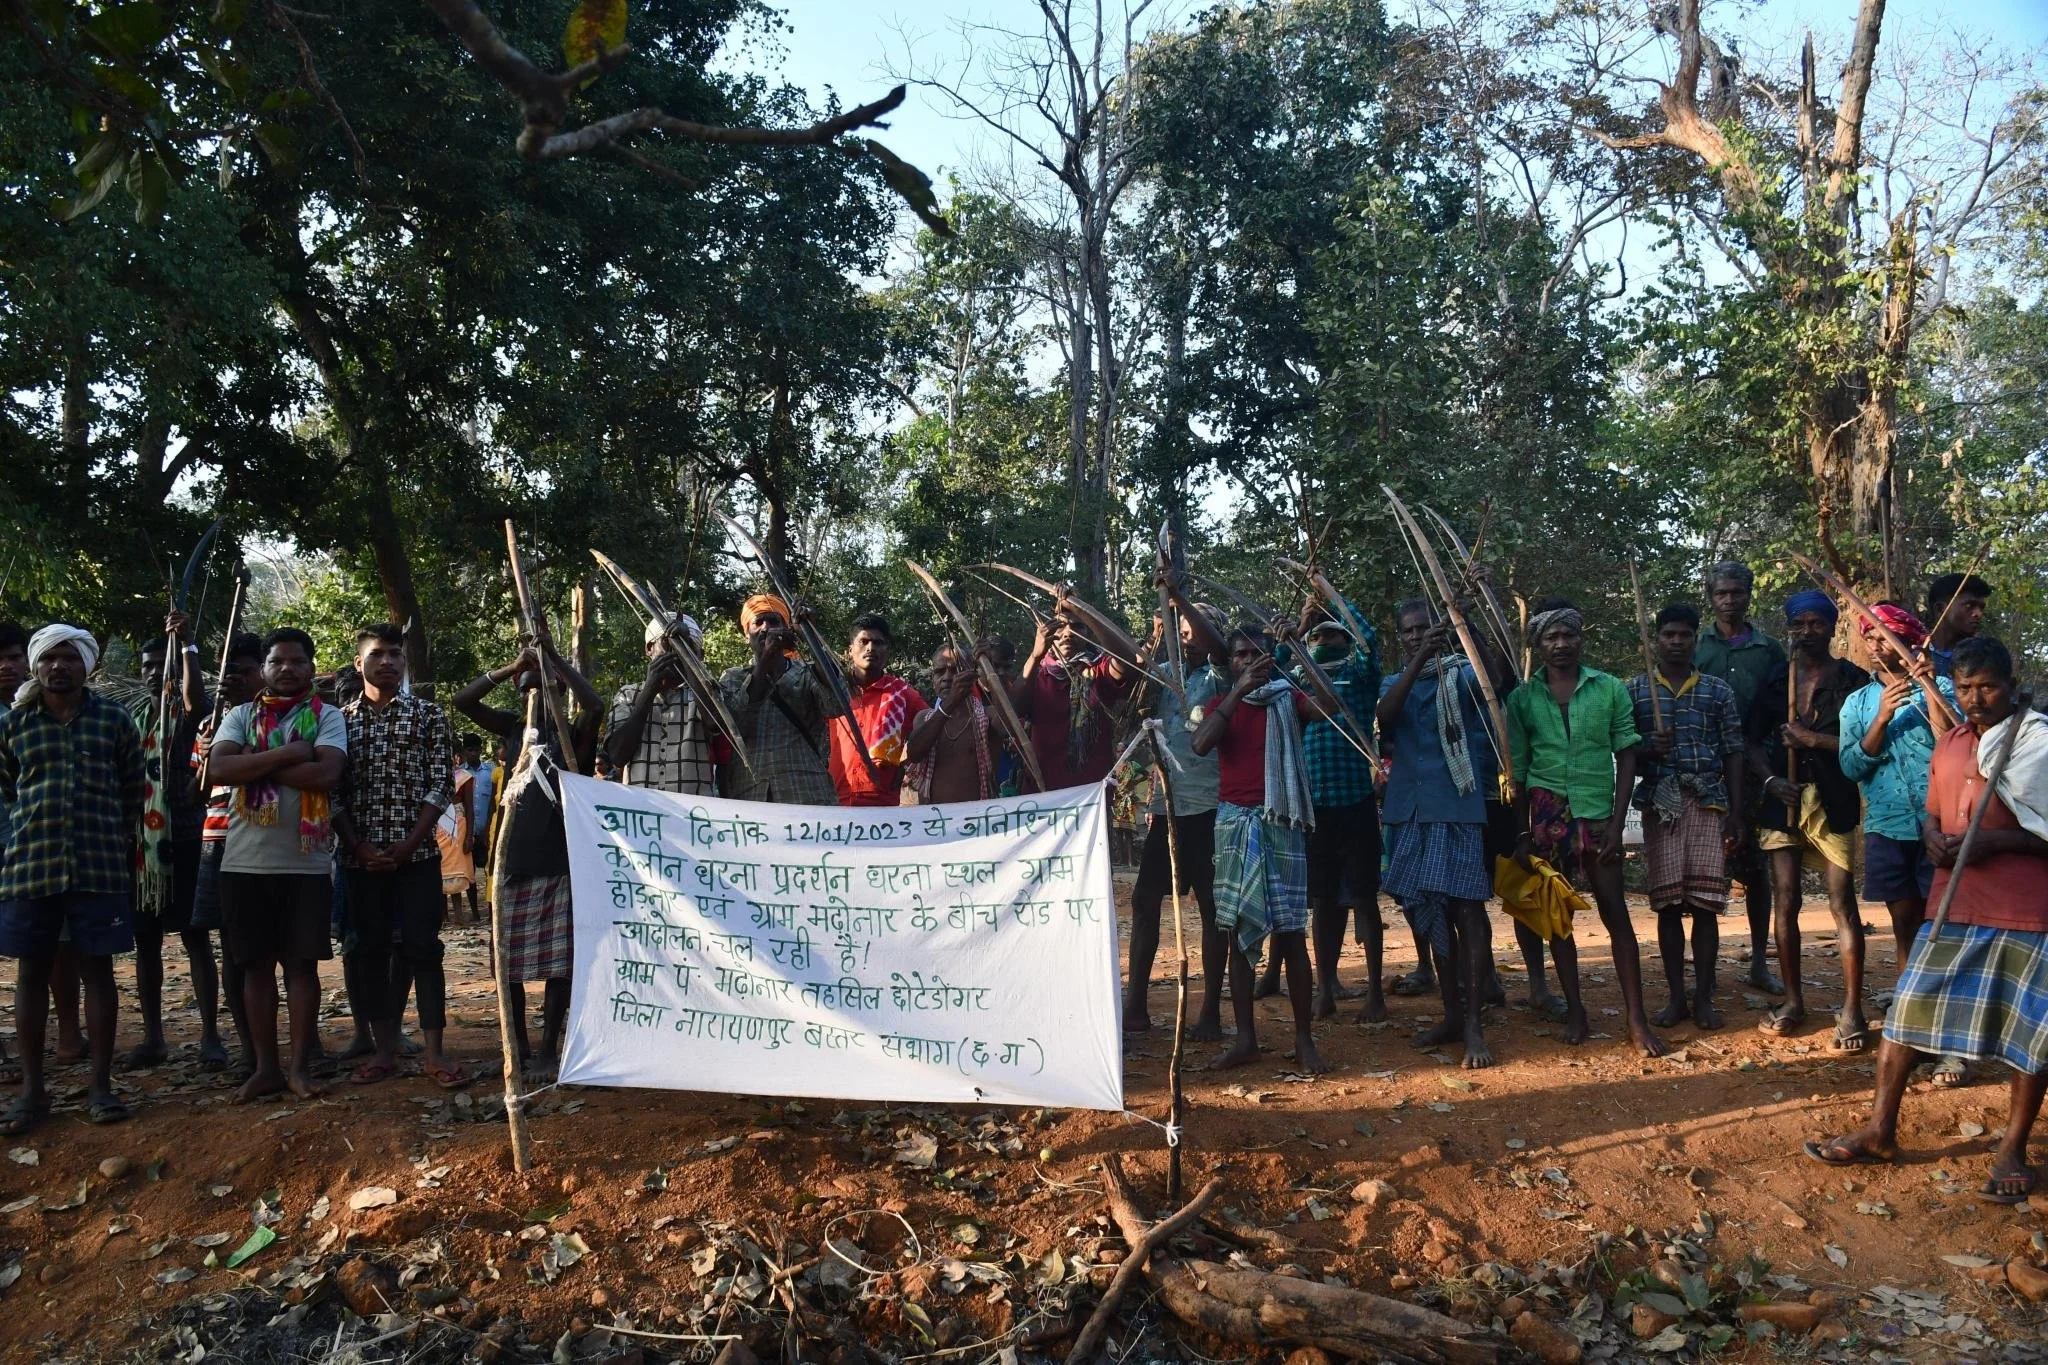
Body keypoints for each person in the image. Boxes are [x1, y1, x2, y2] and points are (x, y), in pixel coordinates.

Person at [1805, 637, 2047, 1204]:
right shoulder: (1952, 743)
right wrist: (1936, 838)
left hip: (2028, 909)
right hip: (1954, 903)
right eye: (1964, 688)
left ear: (2010, 684)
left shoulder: (2037, 740)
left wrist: (1997, 841)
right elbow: (1935, 815)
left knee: (2030, 1033)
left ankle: (2012, 1148)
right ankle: (1880, 1130)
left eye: (1987, 686)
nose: (1975, 698)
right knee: (1907, 1016)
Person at [0, 625, 145, 1134]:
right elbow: (8, 786)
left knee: (98, 974)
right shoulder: (15, 724)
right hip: (31, 866)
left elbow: (133, 787)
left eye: (69, 657)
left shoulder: (113, 721)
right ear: (37, 665)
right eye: (49, 658)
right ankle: (32, 1092)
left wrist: (111, 835)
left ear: (87, 665)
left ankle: (100, 1087)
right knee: (31, 976)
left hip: (99, 864)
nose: (58, 666)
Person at [1507, 599, 1662, 1055]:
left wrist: (1617, 823)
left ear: (1581, 639)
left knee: (1617, 916)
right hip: (1547, 814)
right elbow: (1518, 770)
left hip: (1597, 813)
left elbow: (1628, 754)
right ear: (1538, 643)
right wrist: (1522, 834)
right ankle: (1576, 1008)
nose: (1561, 644)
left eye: (1568, 635)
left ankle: (1636, 1019)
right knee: (1558, 922)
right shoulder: (1523, 698)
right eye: (1551, 637)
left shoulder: (1609, 688)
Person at [205, 628, 348, 1102]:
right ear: (263, 669)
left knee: (302, 969)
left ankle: (299, 1068)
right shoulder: (240, 715)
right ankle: (266, 1069)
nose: (287, 669)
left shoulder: (328, 717)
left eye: (297, 662)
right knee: (255, 968)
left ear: (311, 667)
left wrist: (256, 761)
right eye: (277, 662)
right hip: (244, 864)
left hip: (307, 865)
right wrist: (289, 754)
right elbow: (219, 770)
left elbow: (327, 774)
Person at [452, 644, 602, 1077]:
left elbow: (594, 704)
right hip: (511, 863)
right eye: (528, 688)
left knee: (559, 964)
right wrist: (510, 667)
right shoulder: (514, 730)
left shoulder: (573, 737)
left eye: (544, 688)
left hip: (560, 860)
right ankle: (516, 1045)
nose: (535, 695)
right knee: (508, 963)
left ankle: (548, 1050)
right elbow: (463, 701)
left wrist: (557, 666)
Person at [332, 623, 468, 1090]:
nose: (387, 661)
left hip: (418, 858)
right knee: (369, 952)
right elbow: (330, 793)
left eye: (395, 654)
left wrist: (411, 843)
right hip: (359, 860)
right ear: (359, 663)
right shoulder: (338, 722)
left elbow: (440, 784)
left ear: (404, 662)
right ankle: (384, 1052)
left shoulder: (429, 717)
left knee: (423, 950)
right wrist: (358, 846)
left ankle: (434, 1053)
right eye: (377, 654)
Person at [1193, 625, 1328, 1074]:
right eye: (1239, 655)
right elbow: (1200, 743)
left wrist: (1303, 658)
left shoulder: (1287, 700)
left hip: (1282, 824)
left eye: (1256, 654)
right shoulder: (1219, 705)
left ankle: (1304, 1039)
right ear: (1228, 662)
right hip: (1234, 825)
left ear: (1271, 658)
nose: (1247, 661)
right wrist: (1237, 694)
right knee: (1235, 934)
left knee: (1291, 935)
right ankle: (1246, 1040)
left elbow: (1328, 707)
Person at [1838, 602, 1962, 1083]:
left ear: (1912, 640)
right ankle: (1915, 1022)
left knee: (1944, 926)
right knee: (1905, 921)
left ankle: (1950, 1038)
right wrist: (1881, 719)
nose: (1874, 646)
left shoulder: (1946, 688)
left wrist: (1929, 690)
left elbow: (1956, 741)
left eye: (1885, 637)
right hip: (1888, 826)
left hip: (1942, 825)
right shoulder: (1859, 703)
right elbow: (1852, 766)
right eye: (1869, 637)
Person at [1378, 601, 1501, 1068]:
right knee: (1429, 915)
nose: (1415, 635)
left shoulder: (1462, 676)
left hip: (1458, 807)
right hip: (1410, 811)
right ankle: (1451, 1015)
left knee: (1467, 911)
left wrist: (1470, 627)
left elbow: (1496, 680)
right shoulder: (1396, 681)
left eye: (1424, 628)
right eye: (1408, 630)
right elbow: (1385, 717)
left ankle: (1473, 1023)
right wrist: (1416, 661)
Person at [1751, 592, 1871, 1050]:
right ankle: (1794, 1002)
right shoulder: (1775, 679)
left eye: (1816, 623)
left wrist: (1813, 739)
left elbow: (1865, 745)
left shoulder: (1853, 681)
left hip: (1833, 801)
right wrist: (1768, 780)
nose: (1806, 632)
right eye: (1798, 625)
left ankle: (1852, 1008)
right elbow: (1750, 740)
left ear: (1831, 627)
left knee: (1842, 903)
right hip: (1781, 802)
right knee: (1786, 900)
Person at [1258, 605, 1383, 1021]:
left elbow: (1371, 642)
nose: (1323, 640)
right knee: (1323, 901)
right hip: (1315, 808)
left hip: (1357, 801)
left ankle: (1375, 995)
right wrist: (1288, 637)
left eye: (1333, 635)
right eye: (1317, 637)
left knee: (1365, 898)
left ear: (1346, 641)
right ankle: (1326, 988)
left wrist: (1334, 598)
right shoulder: (1297, 680)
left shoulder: (1362, 678)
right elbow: (1265, 675)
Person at [1628, 604, 1745, 1030]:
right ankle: (1676, 997)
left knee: (1706, 905)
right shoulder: (1636, 691)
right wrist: (1645, 748)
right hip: (1661, 805)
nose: (1675, 642)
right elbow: (1625, 754)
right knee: (1668, 906)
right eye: (1668, 635)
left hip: (1707, 802)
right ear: (1656, 639)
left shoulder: (1717, 691)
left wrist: (1734, 813)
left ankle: (1704, 997)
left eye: (1684, 635)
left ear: (1696, 639)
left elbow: (1733, 750)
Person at [1123, 585, 1229, 1037]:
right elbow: (1131, 693)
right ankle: (1135, 1006)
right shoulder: (1164, 674)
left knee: (1211, 909)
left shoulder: (1223, 674)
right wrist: (1152, 636)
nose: (1186, 639)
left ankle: (1208, 1014)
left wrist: (1181, 602)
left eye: (1192, 632)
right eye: (1179, 632)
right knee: (1145, 902)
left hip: (1208, 810)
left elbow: (1217, 648)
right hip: (1167, 809)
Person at [128, 611, 222, 1070]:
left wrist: (186, 647)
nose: (152, 675)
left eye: (159, 667)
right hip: (143, 847)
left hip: (186, 839)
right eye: (146, 667)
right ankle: (153, 1038)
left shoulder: (190, 718)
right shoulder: (130, 720)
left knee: (196, 937)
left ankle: (210, 1036)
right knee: (146, 942)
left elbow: (193, 700)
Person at [1694, 560, 1786, 997]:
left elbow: (1781, 706)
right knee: (1709, 870)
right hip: (1706, 770)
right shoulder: (1697, 647)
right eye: (1720, 594)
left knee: (1757, 869)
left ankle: (1757, 962)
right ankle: (1706, 974)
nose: (1729, 600)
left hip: (1756, 771)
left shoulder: (1769, 649)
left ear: (1749, 594)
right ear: (1710, 597)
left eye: (1736, 592)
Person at [190, 631, 263, 1073]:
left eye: (244, 670)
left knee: (286, 951)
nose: (233, 679)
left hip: (266, 841)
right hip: (218, 842)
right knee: (234, 950)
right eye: (227, 671)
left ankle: (300, 1046)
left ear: (264, 671)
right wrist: (208, 754)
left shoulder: (278, 718)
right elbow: (197, 790)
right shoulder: (208, 724)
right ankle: (249, 1048)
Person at [717, 596, 845, 805]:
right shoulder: (733, 678)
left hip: (808, 794)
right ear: (746, 634)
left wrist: (810, 635)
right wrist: (767, 658)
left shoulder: (807, 672)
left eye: (774, 622)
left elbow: (837, 706)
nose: (766, 628)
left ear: (787, 630)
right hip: (751, 798)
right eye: (758, 623)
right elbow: (734, 726)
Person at [1009, 603, 1132, 791]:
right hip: (1043, 794)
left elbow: (1127, 663)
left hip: (1092, 795)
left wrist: (1084, 611)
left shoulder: (1099, 670)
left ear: (1088, 633)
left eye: (1077, 626)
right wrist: (1034, 656)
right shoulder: (1037, 672)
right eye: (1060, 626)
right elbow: (1013, 709)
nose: (1067, 633)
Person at [604, 614, 720, 796]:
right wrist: (650, 689)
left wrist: (688, 660)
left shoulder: (706, 692)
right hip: (642, 812)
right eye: (669, 644)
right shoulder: (627, 695)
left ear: (699, 656)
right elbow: (618, 756)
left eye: (686, 648)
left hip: (694, 816)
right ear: (649, 648)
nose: (676, 654)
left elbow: (716, 723)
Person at [831, 613, 926, 806]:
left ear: (886, 650)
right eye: (863, 641)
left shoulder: (904, 694)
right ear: (850, 650)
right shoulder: (833, 689)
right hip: (835, 801)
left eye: (878, 642)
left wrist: (905, 766)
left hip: (882, 805)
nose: (870, 648)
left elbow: (930, 726)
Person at [904, 644, 998, 804]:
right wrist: (951, 701)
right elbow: (914, 753)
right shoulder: (924, 718)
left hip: (975, 820)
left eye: (954, 670)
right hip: (934, 822)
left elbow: (1010, 723)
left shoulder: (985, 717)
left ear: (972, 675)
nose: (946, 677)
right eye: (939, 672)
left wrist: (990, 671)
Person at [0, 620, 28, 1084]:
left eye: (14, 656)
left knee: (40, 948)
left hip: (27, 848)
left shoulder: (34, 714)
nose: (7, 666)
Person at [1923, 572, 1992, 677]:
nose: (1978, 614)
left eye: (1981, 608)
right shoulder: (1913, 651)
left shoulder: (1985, 656)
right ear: (1940, 609)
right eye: (1969, 605)